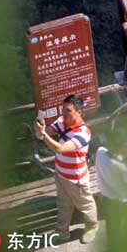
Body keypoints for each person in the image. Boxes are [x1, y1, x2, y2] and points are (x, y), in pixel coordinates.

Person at [34, 94, 99, 243]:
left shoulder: (83, 132)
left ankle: (92, 226)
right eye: (63, 109)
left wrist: (43, 135)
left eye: (68, 110)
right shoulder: (61, 121)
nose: (63, 112)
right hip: (61, 173)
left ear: (79, 112)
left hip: (76, 178)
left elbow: (61, 149)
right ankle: (62, 231)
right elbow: (41, 135)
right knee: (63, 204)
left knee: (86, 204)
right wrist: (39, 129)